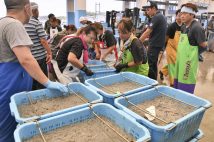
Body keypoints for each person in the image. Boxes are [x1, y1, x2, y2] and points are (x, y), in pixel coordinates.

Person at [0, 0, 68, 141]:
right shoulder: (14, 25)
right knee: (10, 125)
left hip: (4, 74)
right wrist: (47, 82)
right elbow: (26, 59)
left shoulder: (2, 22)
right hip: (11, 79)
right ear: (27, 8)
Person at [174, 3, 207, 93]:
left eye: (185, 13)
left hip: (188, 62)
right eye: (181, 13)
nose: (182, 16)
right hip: (180, 59)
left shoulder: (197, 28)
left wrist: (193, 54)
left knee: (185, 83)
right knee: (178, 81)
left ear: (192, 15)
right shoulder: (184, 26)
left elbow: (204, 46)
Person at [25, 2, 52, 90]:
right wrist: (49, 52)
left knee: (32, 81)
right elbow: (43, 41)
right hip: (39, 58)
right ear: (35, 11)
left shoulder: (22, 22)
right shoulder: (36, 23)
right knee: (42, 81)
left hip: (28, 58)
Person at [140, 1, 167, 80]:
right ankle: (154, 81)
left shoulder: (157, 17)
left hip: (155, 45)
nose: (147, 12)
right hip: (157, 44)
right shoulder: (160, 16)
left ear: (154, 8)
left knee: (150, 64)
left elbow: (147, 32)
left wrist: (137, 41)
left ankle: (151, 83)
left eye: (148, 10)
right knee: (153, 64)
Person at [160, 9, 182, 86]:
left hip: (179, 49)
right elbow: (166, 38)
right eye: (178, 15)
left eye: (181, 15)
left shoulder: (184, 26)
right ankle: (173, 83)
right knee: (173, 65)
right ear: (176, 16)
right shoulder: (172, 26)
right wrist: (163, 47)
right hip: (171, 48)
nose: (180, 17)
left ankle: (162, 71)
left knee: (176, 63)